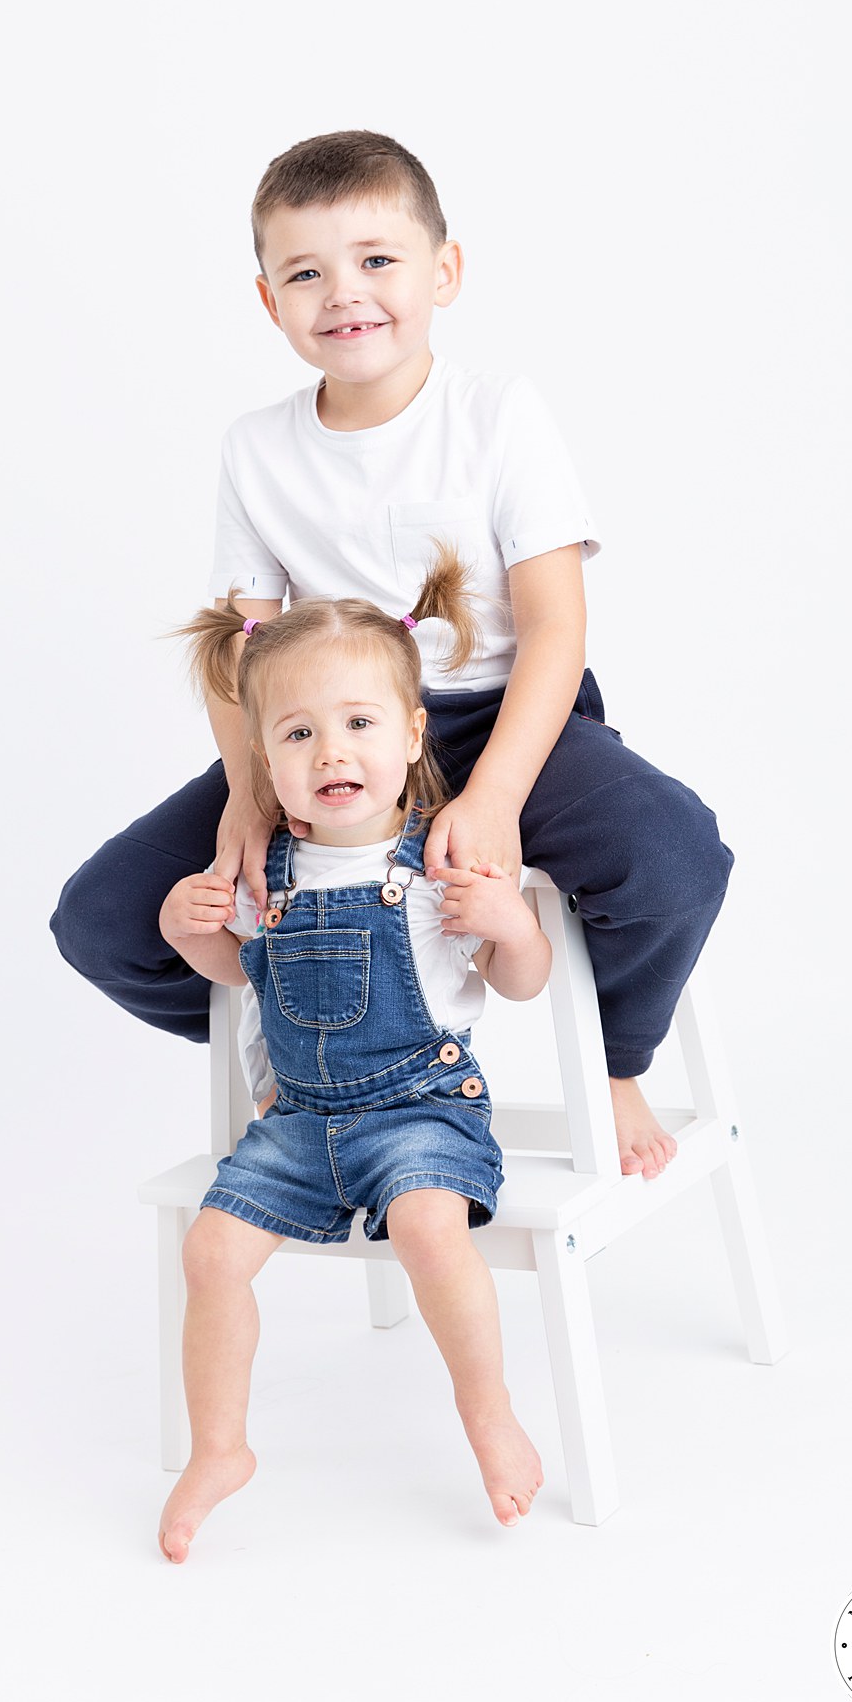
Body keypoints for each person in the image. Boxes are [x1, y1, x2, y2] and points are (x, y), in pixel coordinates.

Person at [50, 126, 734, 1181]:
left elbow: (557, 627)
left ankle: (616, 1062)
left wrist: (495, 795)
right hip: (323, 737)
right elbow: (242, 644)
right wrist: (248, 791)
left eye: (377, 259)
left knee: (674, 854)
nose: (344, 294)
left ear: (443, 271)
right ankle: (323, 1044)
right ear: (268, 300)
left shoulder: (497, 414)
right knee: (103, 918)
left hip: (499, 717)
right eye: (305, 273)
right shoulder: (256, 447)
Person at [155, 548, 550, 1560]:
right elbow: (241, 973)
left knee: (428, 1228)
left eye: (360, 724)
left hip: (421, 1111)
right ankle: (219, 1448)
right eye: (298, 733)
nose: (332, 750)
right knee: (209, 1253)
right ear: (264, 763)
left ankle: (489, 1414)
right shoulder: (266, 872)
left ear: (412, 734)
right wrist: (186, 932)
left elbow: (520, 981)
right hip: (298, 1124)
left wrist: (510, 925)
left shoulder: (440, 859)